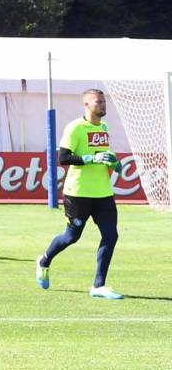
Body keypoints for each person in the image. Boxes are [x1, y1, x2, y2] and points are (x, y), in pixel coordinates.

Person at [37, 88, 124, 299]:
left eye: (104, 102)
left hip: (103, 192)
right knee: (71, 237)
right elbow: (63, 158)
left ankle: (98, 286)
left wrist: (115, 162)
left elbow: (105, 156)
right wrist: (90, 159)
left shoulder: (104, 127)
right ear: (86, 105)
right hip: (78, 193)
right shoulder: (75, 128)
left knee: (111, 235)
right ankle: (44, 261)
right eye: (98, 102)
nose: (103, 105)